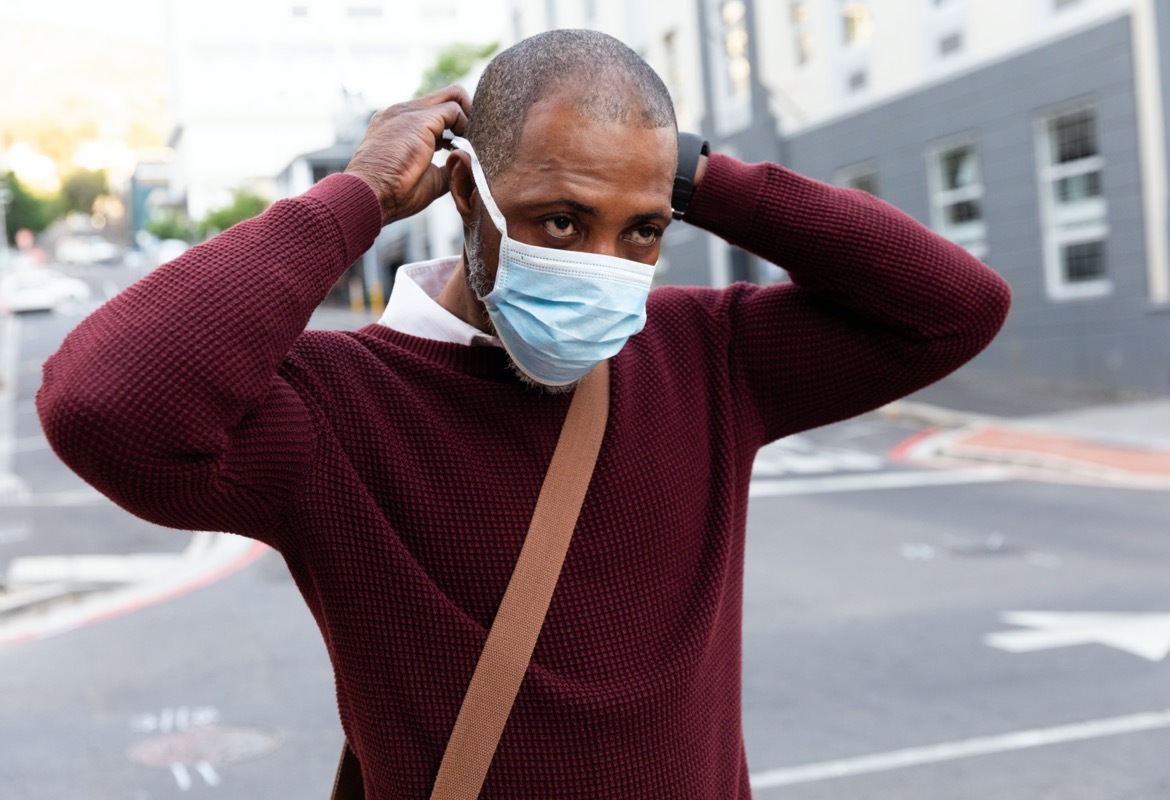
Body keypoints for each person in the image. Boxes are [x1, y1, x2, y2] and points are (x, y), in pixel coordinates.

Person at [37, 29, 1010, 799]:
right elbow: (100, 401)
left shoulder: (708, 355)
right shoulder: (333, 408)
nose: (601, 263)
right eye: (559, 219)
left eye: (640, 231)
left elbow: (953, 308)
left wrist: (704, 174)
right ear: (465, 190)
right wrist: (359, 195)